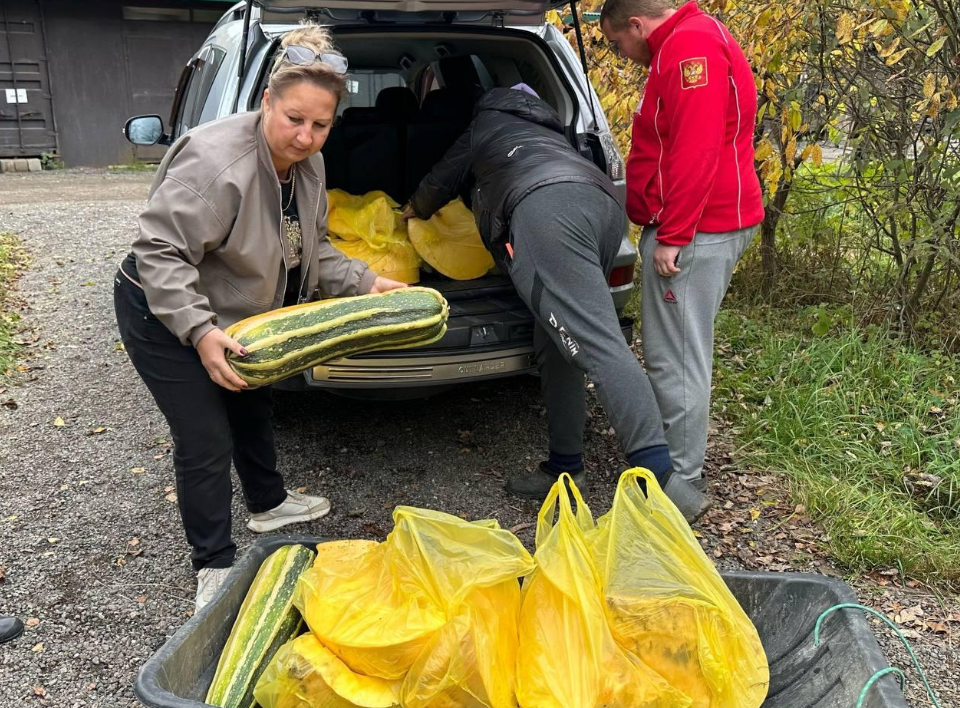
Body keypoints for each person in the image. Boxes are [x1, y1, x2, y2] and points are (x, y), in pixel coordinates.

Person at [114, 24, 405, 611]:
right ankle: (213, 567)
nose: (305, 135)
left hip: (233, 312)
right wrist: (199, 331)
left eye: (320, 125)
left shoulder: (308, 167)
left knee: (252, 400)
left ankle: (268, 504)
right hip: (161, 307)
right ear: (266, 101)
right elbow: (160, 253)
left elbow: (312, 246)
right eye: (293, 118)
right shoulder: (217, 160)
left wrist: (368, 282)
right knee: (204, 436)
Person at [405, 83, 707, 520]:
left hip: (545, 211)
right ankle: (566, 469)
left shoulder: (484, 123)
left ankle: (660, 479)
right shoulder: (551, 129)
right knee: (556, 339)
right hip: (602, 207)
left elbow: (440, 181)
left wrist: (412, 209)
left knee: (596, 342)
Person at [601, 0, 763, 499]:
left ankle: (679, 485)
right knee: (674, 353)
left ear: (636, 24)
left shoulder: (690, 47)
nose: (620, 53)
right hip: (695, 224)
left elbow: (698, 145)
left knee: (677, 360)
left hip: (700, 229)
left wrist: (674, 234)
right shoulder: (682, 42)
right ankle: (673, 465)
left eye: (615, 43)